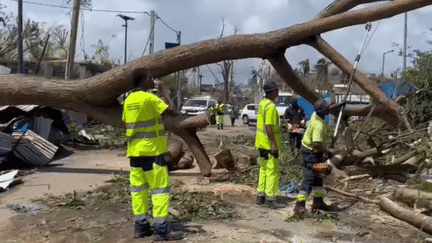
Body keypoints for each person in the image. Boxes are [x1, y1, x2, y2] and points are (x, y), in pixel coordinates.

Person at [122, 68, 183, 241]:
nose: (152, 80)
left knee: (138, 191)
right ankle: (161, 230)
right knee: (159, 191)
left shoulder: (128, 101)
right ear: (142, 81)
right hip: (152, 152)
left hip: (134, 153)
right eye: (149, 78)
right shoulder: (149, 98)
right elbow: (172, 110)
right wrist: (164, 91)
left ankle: (141, 226)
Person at [293, 98, 332, 216]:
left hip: (311, 150)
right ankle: (299, 205)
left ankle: (318, 202)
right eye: (327, 108)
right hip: (311, 152)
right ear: (324, 111)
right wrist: (326, 152)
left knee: (318, 177)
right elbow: (316, 144)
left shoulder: (316, 115)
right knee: (309, 178)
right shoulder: (318, 125)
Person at [255, 80, 285, 209]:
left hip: (261, 142)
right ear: (272, 92)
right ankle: (271, 198)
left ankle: (261, 196)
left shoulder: (263, 103)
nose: (277, 93)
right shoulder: (271, 107)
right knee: (272, 171)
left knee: (263, 169)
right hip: (269, 144)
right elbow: (269, 127)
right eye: (277, 91)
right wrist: (274, 144)